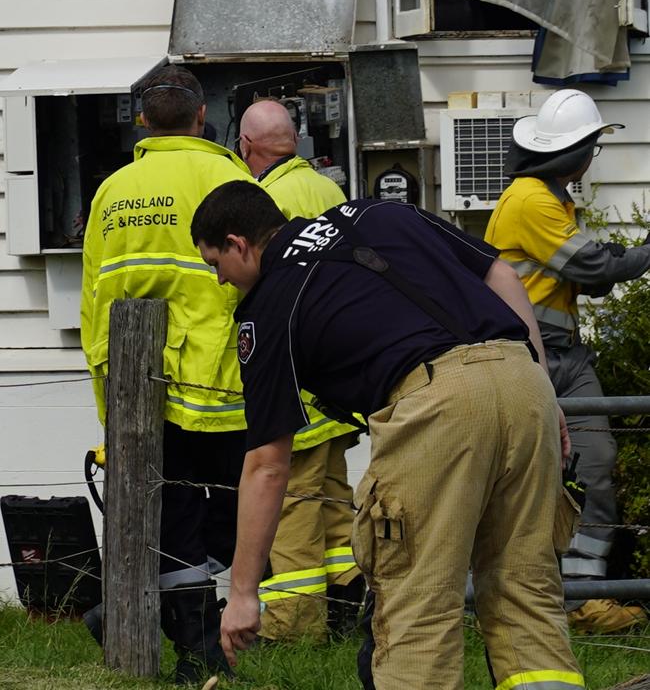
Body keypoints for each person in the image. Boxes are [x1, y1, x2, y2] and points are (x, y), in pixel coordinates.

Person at [190, 181, 584, 690]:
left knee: (418, 608)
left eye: (215, 264)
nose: (221, 281)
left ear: (238, 243)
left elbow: (268, 464)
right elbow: (500, 273)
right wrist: (545, 392)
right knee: (526, 591)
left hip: (433, 404)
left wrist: (243, 593)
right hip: (522, 378)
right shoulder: (378, 213)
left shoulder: (269, 308)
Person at [81, 65, 256, 685]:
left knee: (172, 520)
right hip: (222, 389)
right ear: (202, 116)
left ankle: (185, 639)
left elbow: (94, 303)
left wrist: (108, 400)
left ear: (141, 121)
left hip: (139, 396)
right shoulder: (229, 178)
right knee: (228, 518)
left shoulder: (111, 192)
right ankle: (202, 647)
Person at [485, 88, 650, 635]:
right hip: (525, 357)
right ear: (574, 151)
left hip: (566, 356)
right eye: (593, 146)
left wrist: (607, 268)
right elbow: (593, 266)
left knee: (595, 466)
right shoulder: (530, 200)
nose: (593, 157)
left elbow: (585, 275)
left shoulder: (554, 199)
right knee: (526, 483)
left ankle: (583, 598)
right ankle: (521, 600)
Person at [237, 98, 364, 642]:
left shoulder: (263, 201)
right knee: (335, 502)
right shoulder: (328, 189)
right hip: (339, 378)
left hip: (297, 381)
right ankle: (356, 595)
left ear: (245, 147)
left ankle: (293, 626)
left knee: (294, 506)